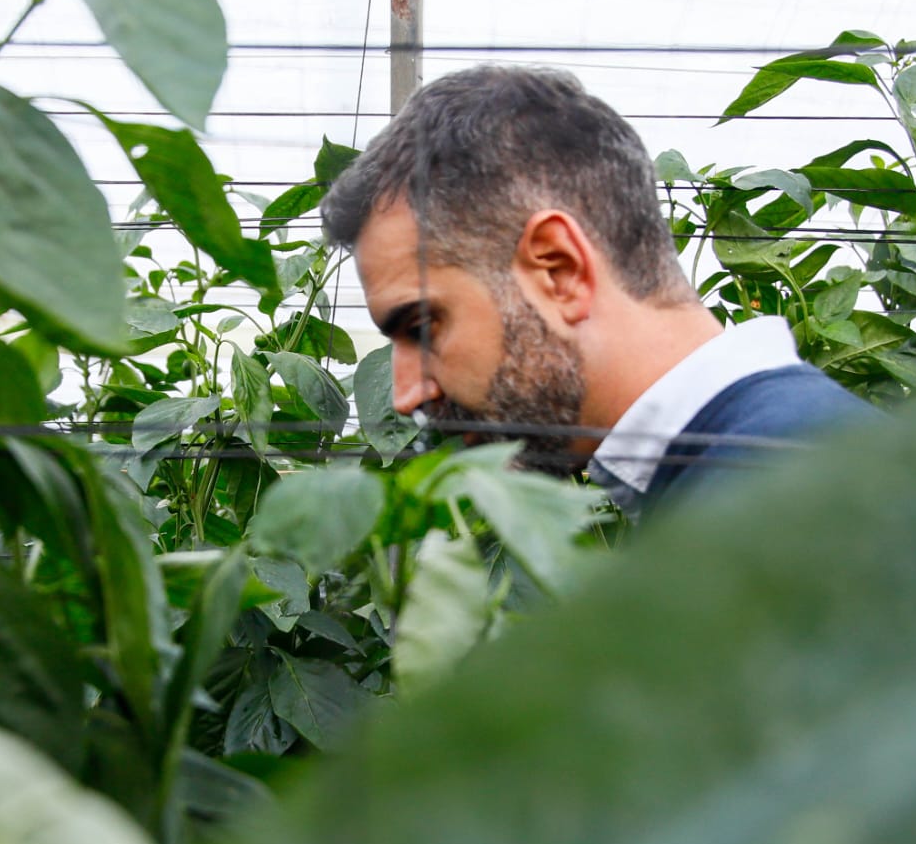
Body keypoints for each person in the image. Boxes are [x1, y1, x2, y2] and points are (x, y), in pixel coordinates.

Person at [319, 64, 870, 517]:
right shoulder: (762, 468)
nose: (404, 395)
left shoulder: (789, 505)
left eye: (422, 326)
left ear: (558, 270)